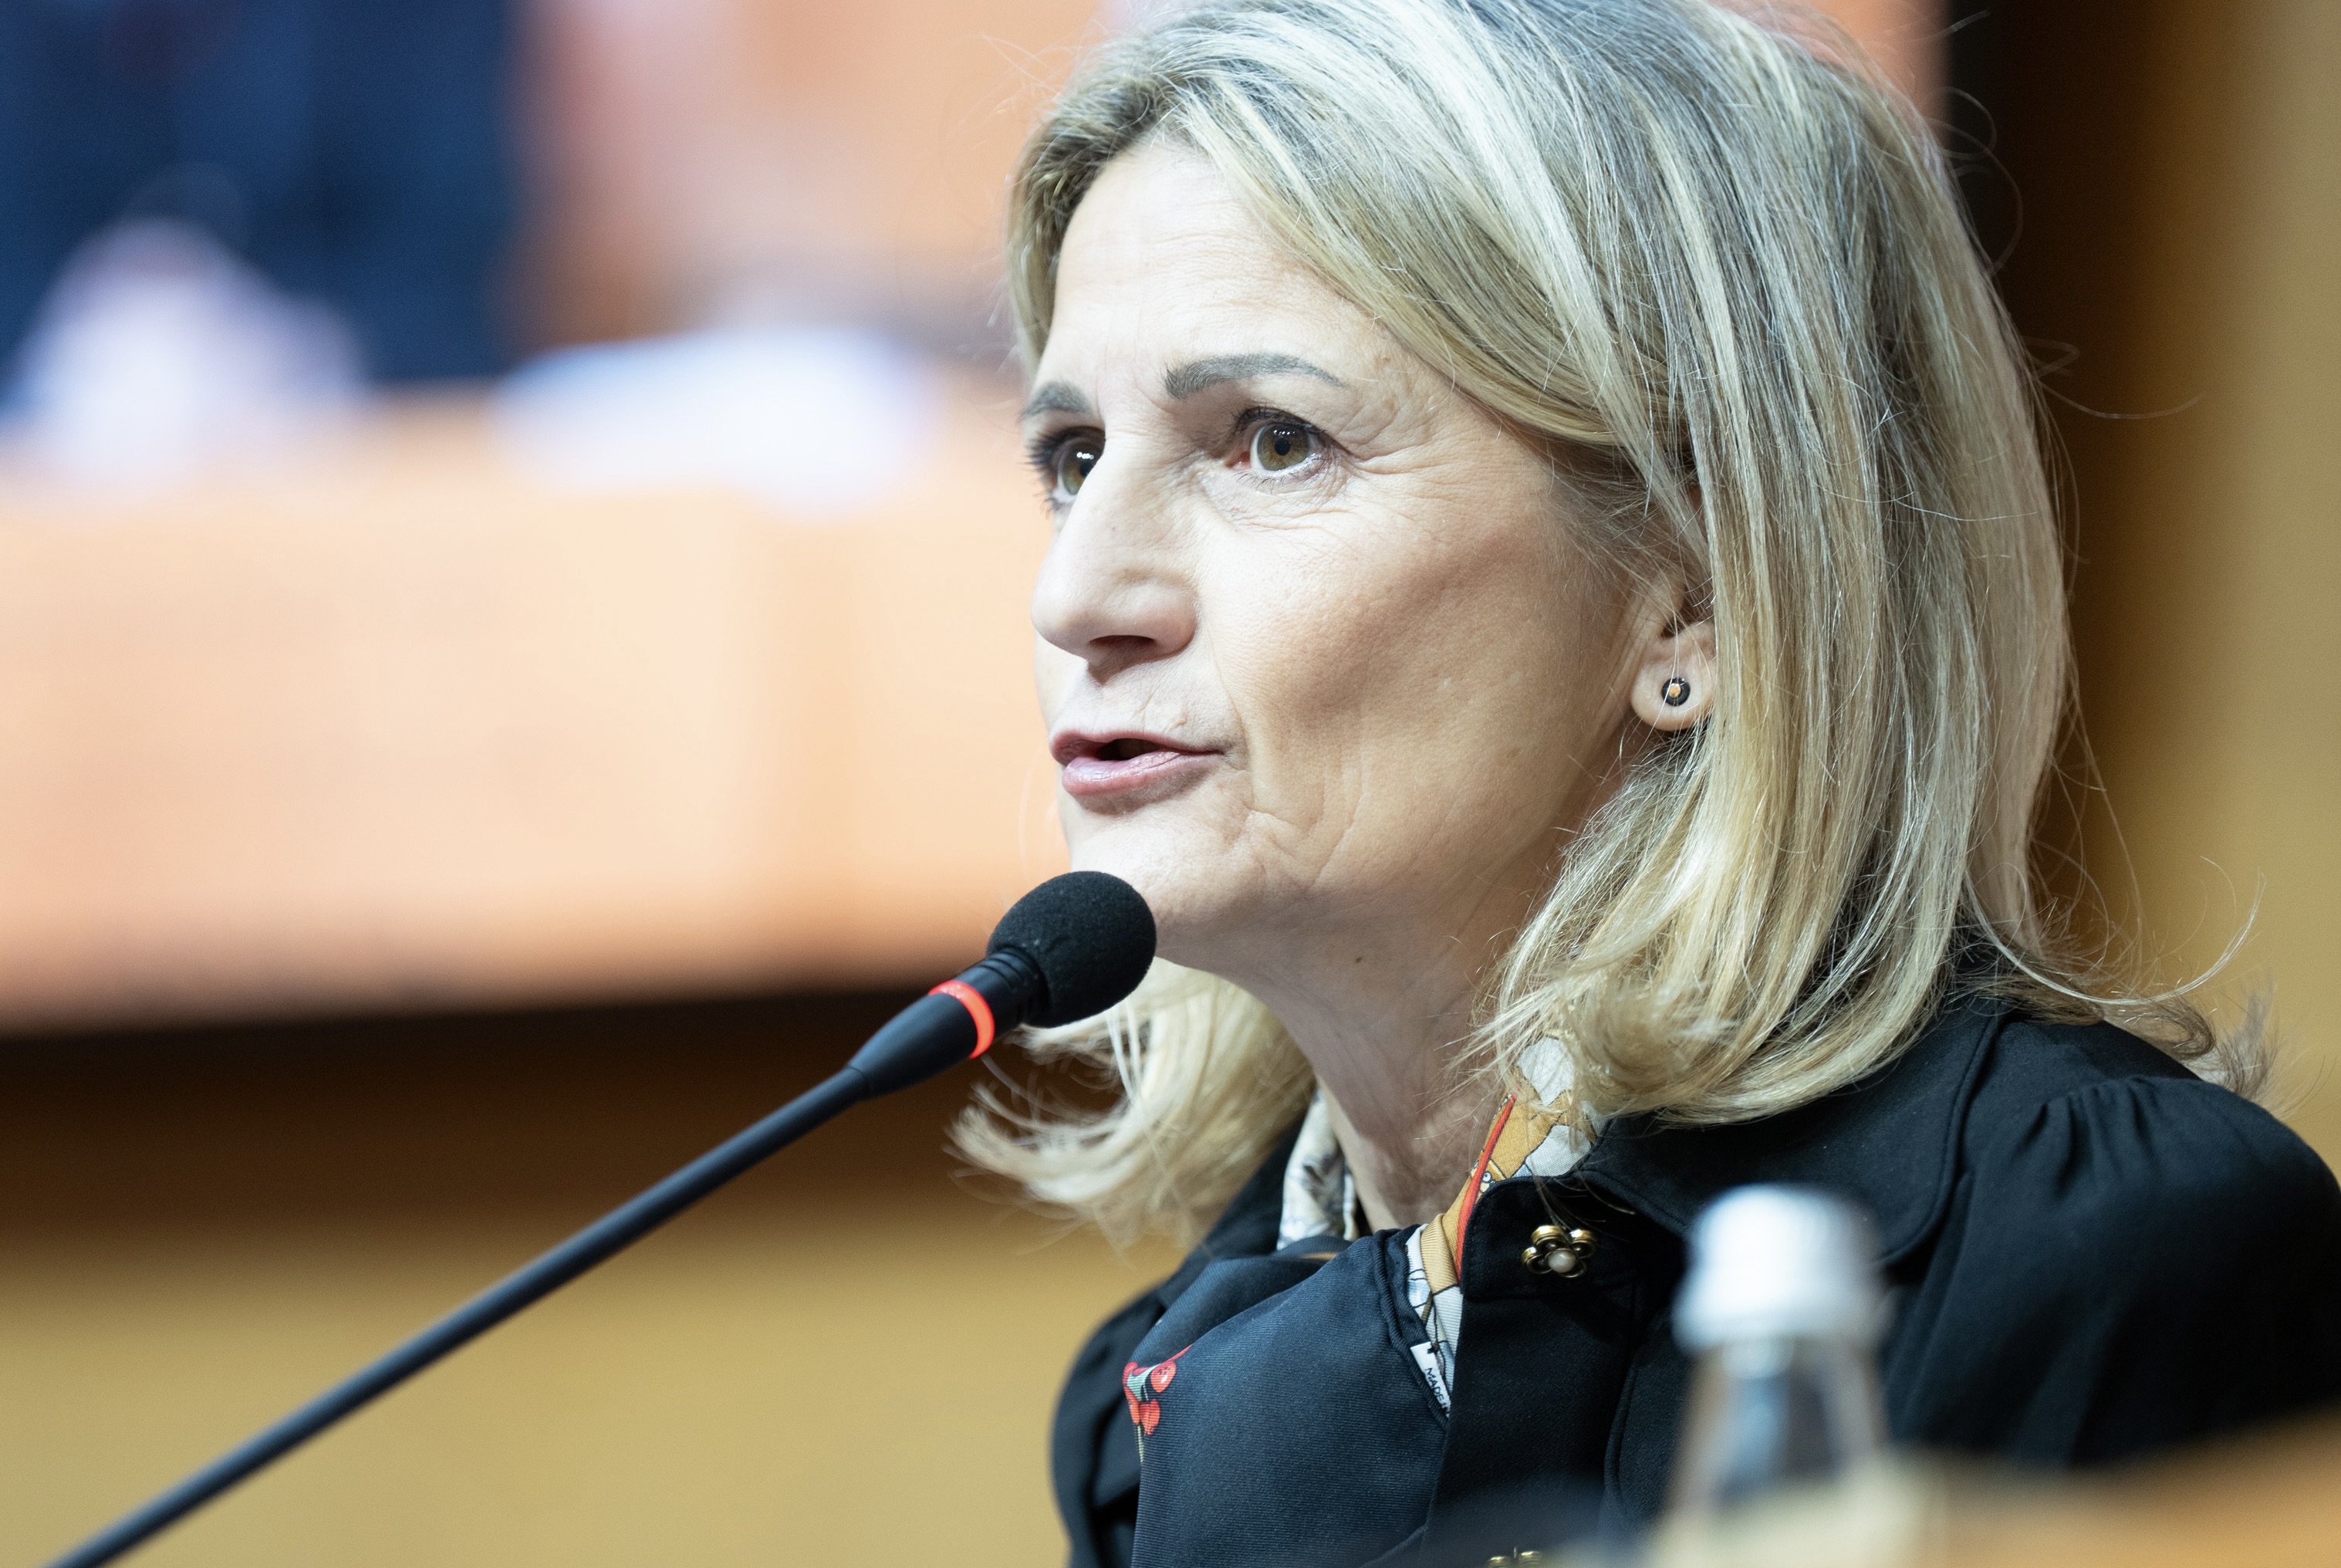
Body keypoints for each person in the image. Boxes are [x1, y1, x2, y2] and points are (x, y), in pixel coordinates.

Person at [952, 2, 2341, 1564]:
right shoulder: (1169, 1384)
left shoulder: (2100, 1245)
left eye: (1272, 440)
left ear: (1693, 584)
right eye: (1071, 454)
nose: (1078, 592)